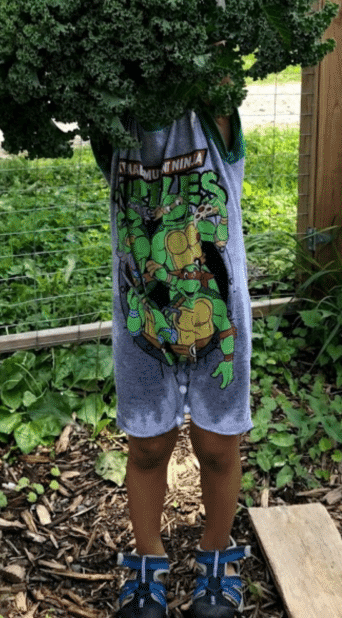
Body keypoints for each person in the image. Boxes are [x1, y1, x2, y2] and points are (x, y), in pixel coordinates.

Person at [92, 107, 252, 618]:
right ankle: (148, 562)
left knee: (218, 446)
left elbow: (221, 68)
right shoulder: (114, 126)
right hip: (143, 333)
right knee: (146, 448)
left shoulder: (213, 117)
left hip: (218, 325)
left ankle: (216, 558)